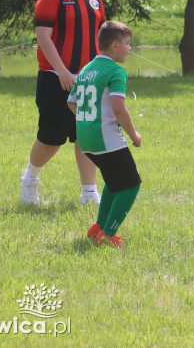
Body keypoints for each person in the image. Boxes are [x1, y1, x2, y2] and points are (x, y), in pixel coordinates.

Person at [21, 0, 106, 206]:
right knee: (52, 136)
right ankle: (30, 179)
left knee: (86, 134)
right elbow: (43, 37)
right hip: (55, 77)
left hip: (88, 79)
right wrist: (62, 72)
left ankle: (89, 193)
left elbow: (99, 34)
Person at [67, 21, 141, 248]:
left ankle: (98, 227)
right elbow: (118, 107)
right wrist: (134, 134)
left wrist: (89, 120)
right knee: (131, 184)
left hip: (86, 137)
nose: (130, 48)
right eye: (128, 44)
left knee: (114, 180)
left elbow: (71, 102)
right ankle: (108, 234)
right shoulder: (116, 71)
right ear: (115, 45)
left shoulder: (87, 69)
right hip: (106, 138)